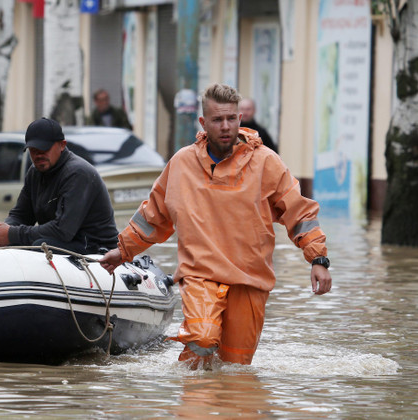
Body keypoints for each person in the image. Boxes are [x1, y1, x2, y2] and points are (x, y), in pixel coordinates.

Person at [99, 83, 332, 368]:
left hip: (250, 279)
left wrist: (318, 258)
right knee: (202, 338)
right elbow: (153, 216)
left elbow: (299, 211)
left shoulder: (266, 163)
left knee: (235, 369)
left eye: (231, 118)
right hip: (201, 274)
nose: (225, 126)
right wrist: (123, 251)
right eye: (217, 119)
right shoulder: (182, 163)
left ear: (239, 119)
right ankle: (193, 405)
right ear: (203, 122)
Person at [0, 117, 119, 254]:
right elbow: (21, 215)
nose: (39, 155)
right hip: (65, 242)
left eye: (44, 148)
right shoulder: (34, 173)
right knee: (17, 244)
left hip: (96, 247)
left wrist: (11, 234)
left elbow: (63, 230)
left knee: (40, 245)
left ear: (62, 145)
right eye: (34, 150)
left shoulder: (77, 173)